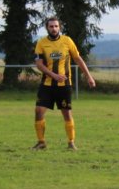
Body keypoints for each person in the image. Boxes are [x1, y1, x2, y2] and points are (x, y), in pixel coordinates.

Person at [31, 16, 97, 151]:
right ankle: (41, 142)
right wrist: (53, 75)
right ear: (47, 28)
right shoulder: (41, 43)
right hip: (47, 85)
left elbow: (78, 59)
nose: (54, 29)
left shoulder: (67, 41)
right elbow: (39, 64)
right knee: (38, 111)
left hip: (64, 85)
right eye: (51, 26)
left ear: (59, 27)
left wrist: (89, 76)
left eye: (56, 26)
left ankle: (71, 143)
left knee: (67, 113)